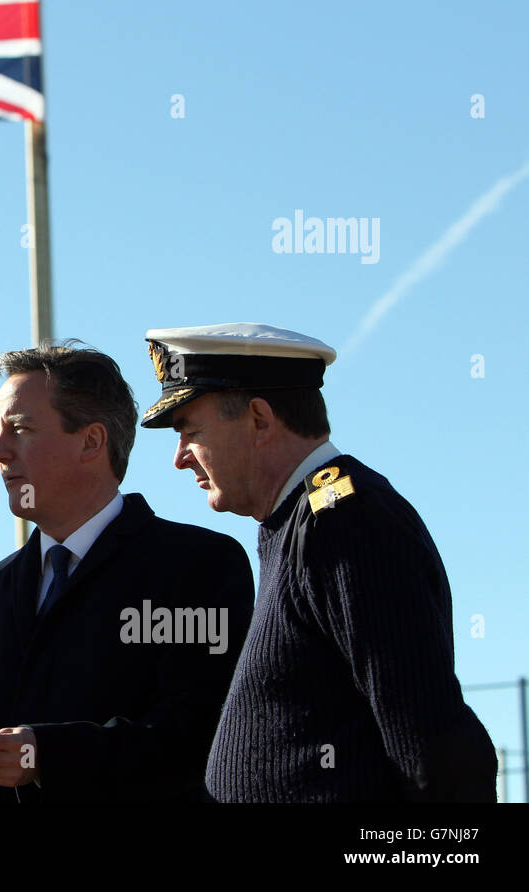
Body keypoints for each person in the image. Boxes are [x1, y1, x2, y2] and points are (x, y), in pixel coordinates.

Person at [139, 322, 497, 802]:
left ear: (260, 419)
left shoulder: (346, 520)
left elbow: (433, 746)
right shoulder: (300, 519)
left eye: (190, 431)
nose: (180, 458)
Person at [0, 342, 255, 802]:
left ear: (92, 441)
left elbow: (200, 737)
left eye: (20, 429)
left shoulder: (197, 565)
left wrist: (43, 754)